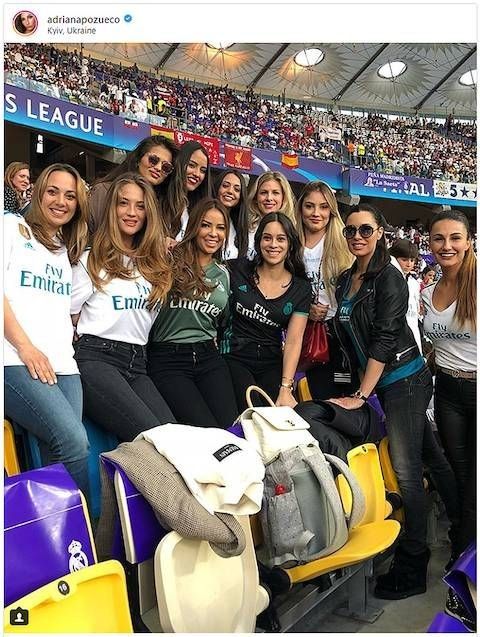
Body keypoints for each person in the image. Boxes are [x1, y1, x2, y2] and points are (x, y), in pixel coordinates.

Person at [328, 203, 451, 600]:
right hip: (385, 383)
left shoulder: (390, 277)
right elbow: (351, 336)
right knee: (432, 458)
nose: (357, 237)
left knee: (407, 471)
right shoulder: (348, 278)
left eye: (365, 230)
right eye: (350, 231)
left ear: (380, 231)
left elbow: (384, 337)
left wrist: (361, 394)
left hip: (405, 381)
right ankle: (464, 530)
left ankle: (414, 563)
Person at [4, 163, 90, 496]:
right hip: (14, 358)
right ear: (38, 192)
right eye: (53, 191)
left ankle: (52, 541)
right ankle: (79, 536)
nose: (61, 201)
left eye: (70, 196)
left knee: (60, 452)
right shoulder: (11, 226)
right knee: (74, 443)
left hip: (63, 364)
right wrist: (25, 347)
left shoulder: (63, 249)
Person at [71, 173, 176, 441]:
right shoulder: (91, 260)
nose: (131, 213)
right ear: (112, 209)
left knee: (176, 437)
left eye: (140, 206)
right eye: (123, 203)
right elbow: (66, 318)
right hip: (96, 359)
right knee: (155, 441)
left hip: (137, 363)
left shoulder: (153, 265)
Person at [148, 197, 238, 429]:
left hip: (208, 356)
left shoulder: (223, 275)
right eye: (206, 225)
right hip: (168, 358)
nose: (213, 233)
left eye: (220, 228)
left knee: (232, 429)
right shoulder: (168, 260)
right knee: (206, 431)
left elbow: (222, 320)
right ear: (194, 226)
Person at [422, 210, 476, 564]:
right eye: (439, 238)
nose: (447, 245)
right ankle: (463, 541)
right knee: (458, 474)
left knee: (474, 479)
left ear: (469, 241)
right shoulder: (427, 292)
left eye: (455, 237)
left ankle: (465, 553)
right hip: (447, 391)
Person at [222, 212, 311, 411]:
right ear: (259, 240)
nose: (273, 245)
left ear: (290, 244)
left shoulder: (301, 288)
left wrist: (286, 387)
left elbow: (294, 340)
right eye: (267, 238)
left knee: (276, 415)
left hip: (271, 362)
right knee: (252, 412)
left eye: (281, 239)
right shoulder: (237, 268)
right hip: (234, 356)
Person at [296, 181, 354, 399]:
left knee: (344, 388)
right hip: (308, 332)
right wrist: (306, 309)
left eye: (323, 207)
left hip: (341, 335)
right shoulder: (292, 241)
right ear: (301, 208)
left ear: (331, 210)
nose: (316, 213)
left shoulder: (344, 240)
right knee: (319, 391)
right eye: (310, 206)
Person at [88, 135, 178, 233]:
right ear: (138, 159)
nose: (158, 168)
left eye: (166, 167)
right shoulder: (103, 191)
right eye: (153, 160)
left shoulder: (164, 205)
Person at [160, 140, 212, 241]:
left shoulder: (199, 209)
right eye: (192, 165)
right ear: (179, 163)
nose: (197, 174)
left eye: (203, 171)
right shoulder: (158, 199)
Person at [246, 171, 297, 258]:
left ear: (283, 197)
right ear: (255, 197)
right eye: (264, 192)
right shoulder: (245, 226)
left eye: (275, 193)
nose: (269, 198)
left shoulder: (294, 231)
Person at [389, 239, 422, 352]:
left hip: (413, 331)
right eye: (404, 260)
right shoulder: (387, 281)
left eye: (412, 260)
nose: (409, 264)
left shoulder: (414, 283)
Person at [214, 169, 249, 259]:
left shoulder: (239, 226)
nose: (230, 191)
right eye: (225, 186)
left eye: (237, 190)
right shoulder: (201, 216)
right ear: (217, 187)